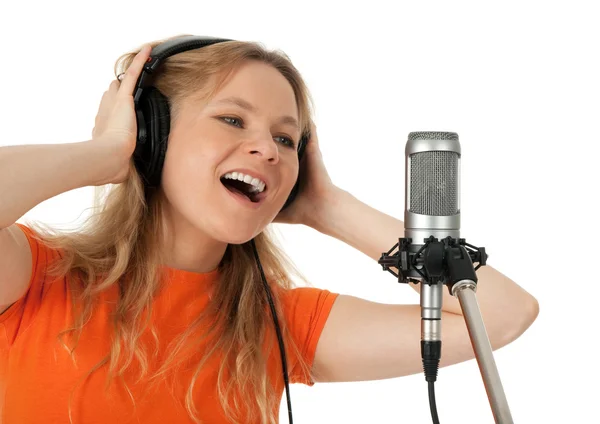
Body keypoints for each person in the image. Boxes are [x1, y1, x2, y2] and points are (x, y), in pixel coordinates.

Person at [0, 35, 539, 424]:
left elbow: (503, 314)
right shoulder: (31, 277)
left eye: (286, 140)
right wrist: (107, 154)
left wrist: (329, 208)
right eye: (232, 120)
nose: (267, 150)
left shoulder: (275, 325)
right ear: (153, 135)